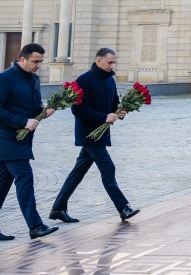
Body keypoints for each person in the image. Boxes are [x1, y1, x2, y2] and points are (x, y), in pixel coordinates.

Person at [0, 42, 58, 241]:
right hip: (5, 139)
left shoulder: (34, 79)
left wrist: (42, 111)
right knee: (25, 179)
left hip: (22, 139)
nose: (38, 65)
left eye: (40, 61)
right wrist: (23, 121)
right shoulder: (3, 79)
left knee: (0, 185)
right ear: (22, 59)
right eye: (34, 61)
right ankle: (35, 226)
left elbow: (31, 106)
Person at [49, 48, 139, 223]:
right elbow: (77, 109)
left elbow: (114, 105)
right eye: (109, 62)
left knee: (78, 172)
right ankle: (123, 208)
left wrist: (119, 112)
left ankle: (58, 208)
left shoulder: (110, 81)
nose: (112, 66)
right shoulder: (84, 80)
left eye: (114, 62)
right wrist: (103, 117)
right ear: (98, 61)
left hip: (101, 133)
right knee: (108, 168)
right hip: (89, 134)